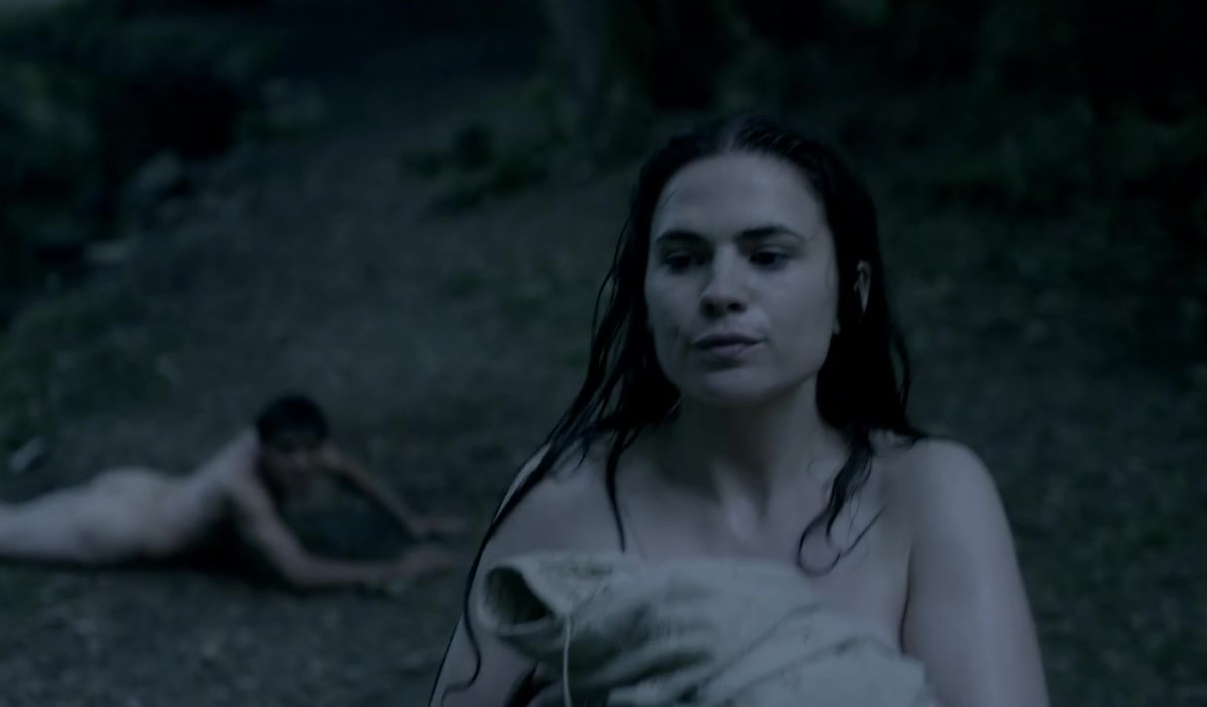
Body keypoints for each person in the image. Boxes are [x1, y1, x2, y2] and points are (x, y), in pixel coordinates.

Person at [428, 114, 1050, 706]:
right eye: (682, 260)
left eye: (768, 256)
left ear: (851, 294)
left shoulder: (929, 493)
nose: (721, 292)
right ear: (645, 298)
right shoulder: (566, 499)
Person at [0, 394, 465, 592]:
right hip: (118, 529)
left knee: (5, 516)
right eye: (288, 453)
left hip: (141, 489)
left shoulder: (300, 442)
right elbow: (298, 572)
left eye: (309, 451)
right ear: (264, 446)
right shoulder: (243, 489)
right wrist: (392, 570)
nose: (302, 464)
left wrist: (410, 520)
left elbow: (351, 473)